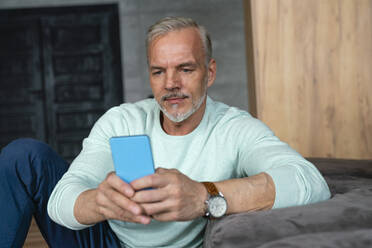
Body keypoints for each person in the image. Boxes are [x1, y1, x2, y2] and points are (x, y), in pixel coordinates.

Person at [0, 17, 330, 248]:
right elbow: (61, 201)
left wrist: (204, 195)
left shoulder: (235, 128)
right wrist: (98, 202)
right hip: (108, 241)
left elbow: (309, 182)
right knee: (22, 155)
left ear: (209, 72)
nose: (171, 84)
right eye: (159, 71)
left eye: (185, 69)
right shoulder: (121, 120)